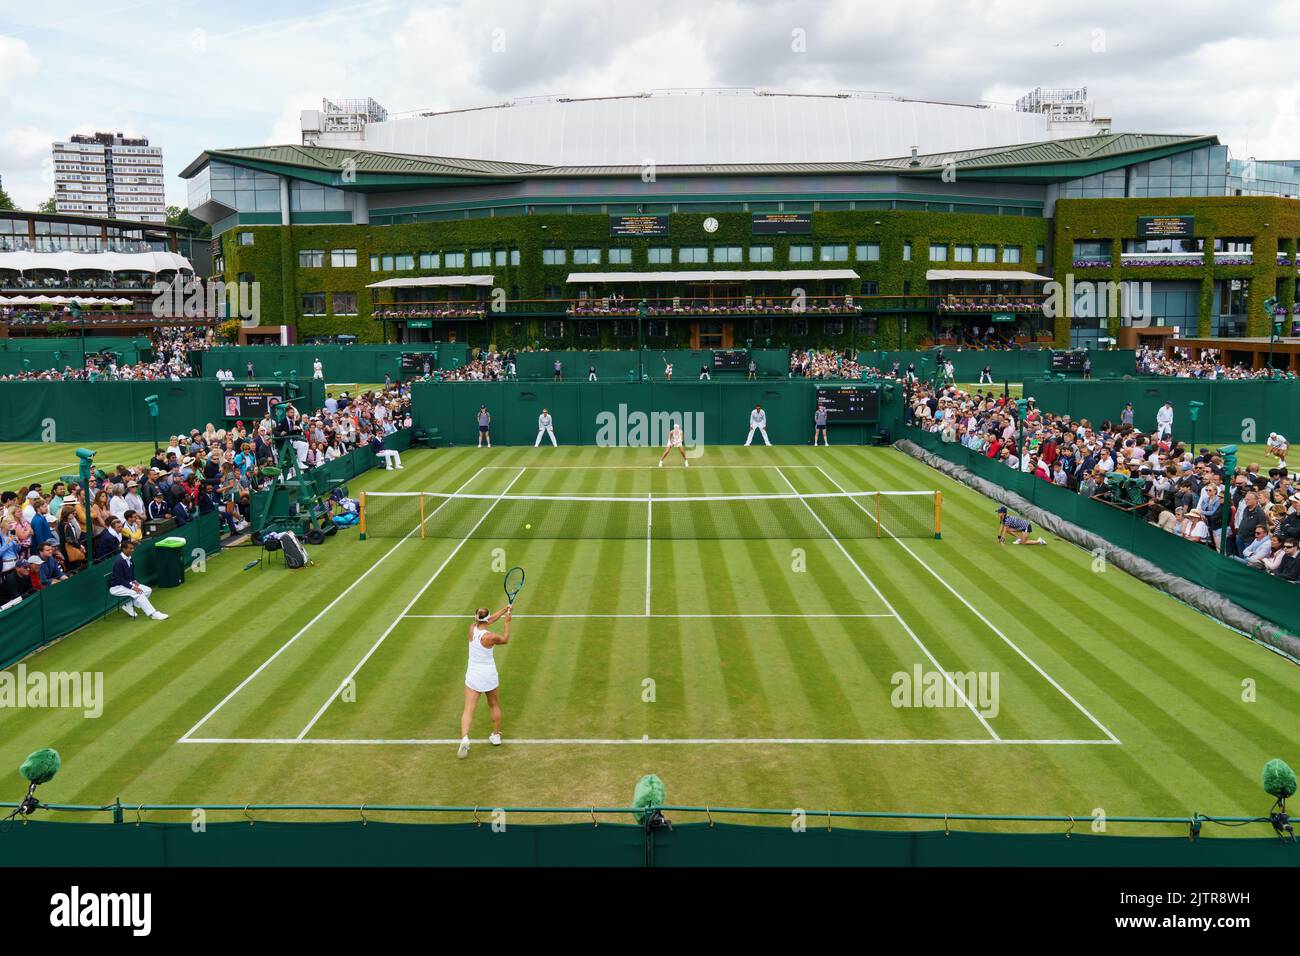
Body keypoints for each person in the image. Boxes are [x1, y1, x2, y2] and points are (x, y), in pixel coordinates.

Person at [458, 603, 512, 759]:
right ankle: (495, 736)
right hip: (488, 675)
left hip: (473, 676)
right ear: (486, 619)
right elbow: (505, 639)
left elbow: (488, 620)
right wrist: (507, 622)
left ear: (476, 618)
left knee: (468, 709)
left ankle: (465, 738)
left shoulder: (471, 628)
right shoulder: (491, 637)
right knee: (494, 704)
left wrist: (504, 609)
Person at [109, 539, 168, 620]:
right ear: (124, 549)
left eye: (133, 548)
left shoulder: (129, 558)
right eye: (130, 548)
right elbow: (119, 579)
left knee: (148, 590)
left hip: (127, 583)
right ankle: (153, 614)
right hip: (116, 587)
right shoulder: (118, 562)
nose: (133, 550)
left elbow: (131, 572)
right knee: (139, 593)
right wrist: (132, 587)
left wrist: (134, 580)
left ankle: (128, 605)